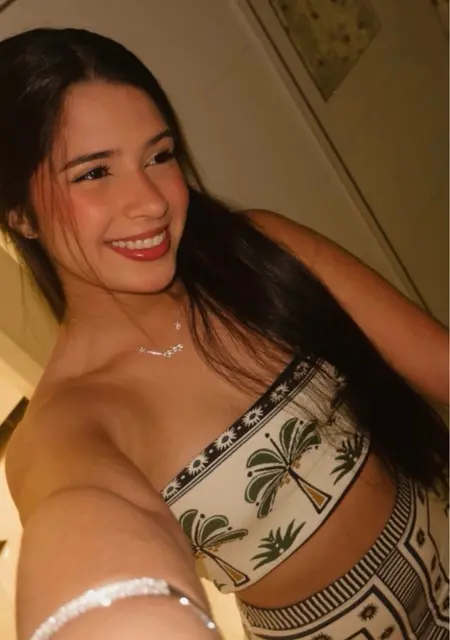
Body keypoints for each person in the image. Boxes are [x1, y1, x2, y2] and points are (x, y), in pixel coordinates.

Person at [0, 27, 448, 640]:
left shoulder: (259, 252)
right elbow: (84, 532)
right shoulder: (64, 427)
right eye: (94, 172)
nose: (151, 202)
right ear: (19, 214)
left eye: (159, 156)